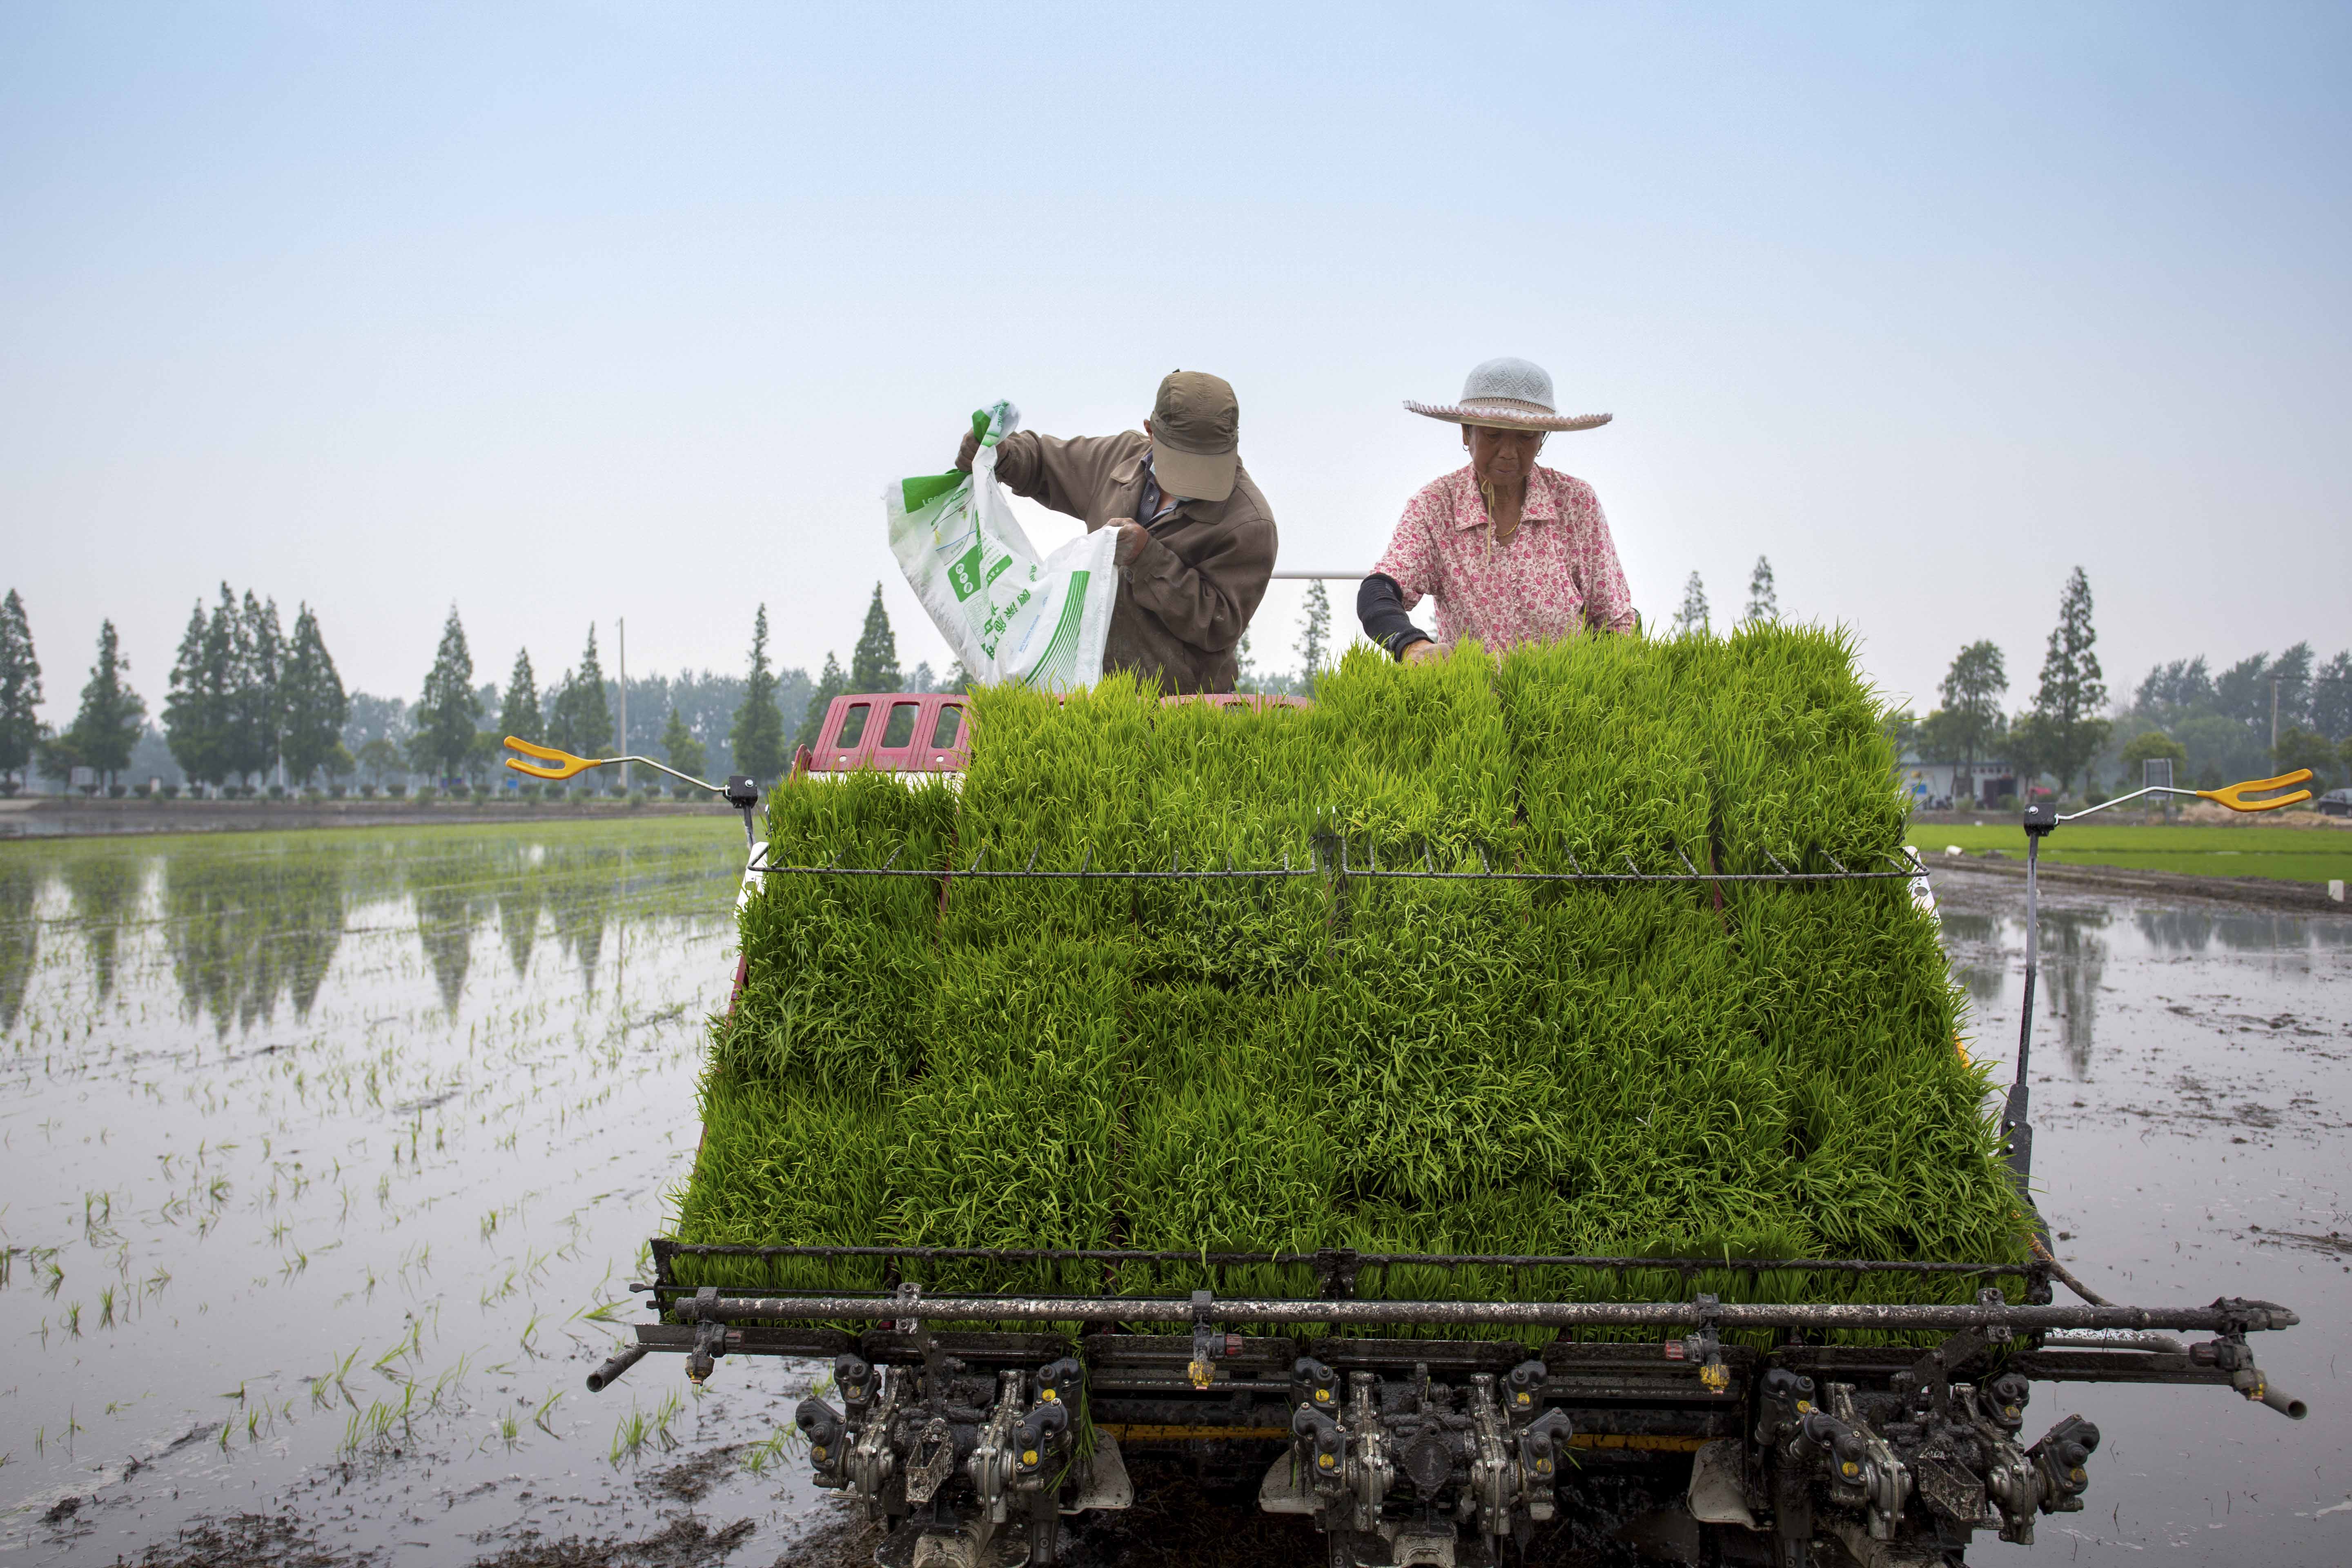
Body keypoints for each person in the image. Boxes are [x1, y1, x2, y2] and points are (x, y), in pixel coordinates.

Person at [953, 371, 1277, 695]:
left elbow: (1220, 624)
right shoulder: (1118, 458)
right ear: (1151, 434)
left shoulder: (1249, 523)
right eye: (1183, 463)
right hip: (1092, 695)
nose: (1195, 480)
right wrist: (1005, 454)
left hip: (1182, 709)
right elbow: (1044, 463)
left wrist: (1147, 558)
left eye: (1207, 464)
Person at [1357, 356, 1635, 662]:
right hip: (1472, 701)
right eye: (1493, 435)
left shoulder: (1574, 503)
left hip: (1565, 699)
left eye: (1525, 437)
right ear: (1467, 433)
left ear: (1542, 439)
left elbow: (1614, 621)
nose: (1508, 452)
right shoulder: (1436, 506)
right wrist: (1414, 646)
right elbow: (1379, 593)